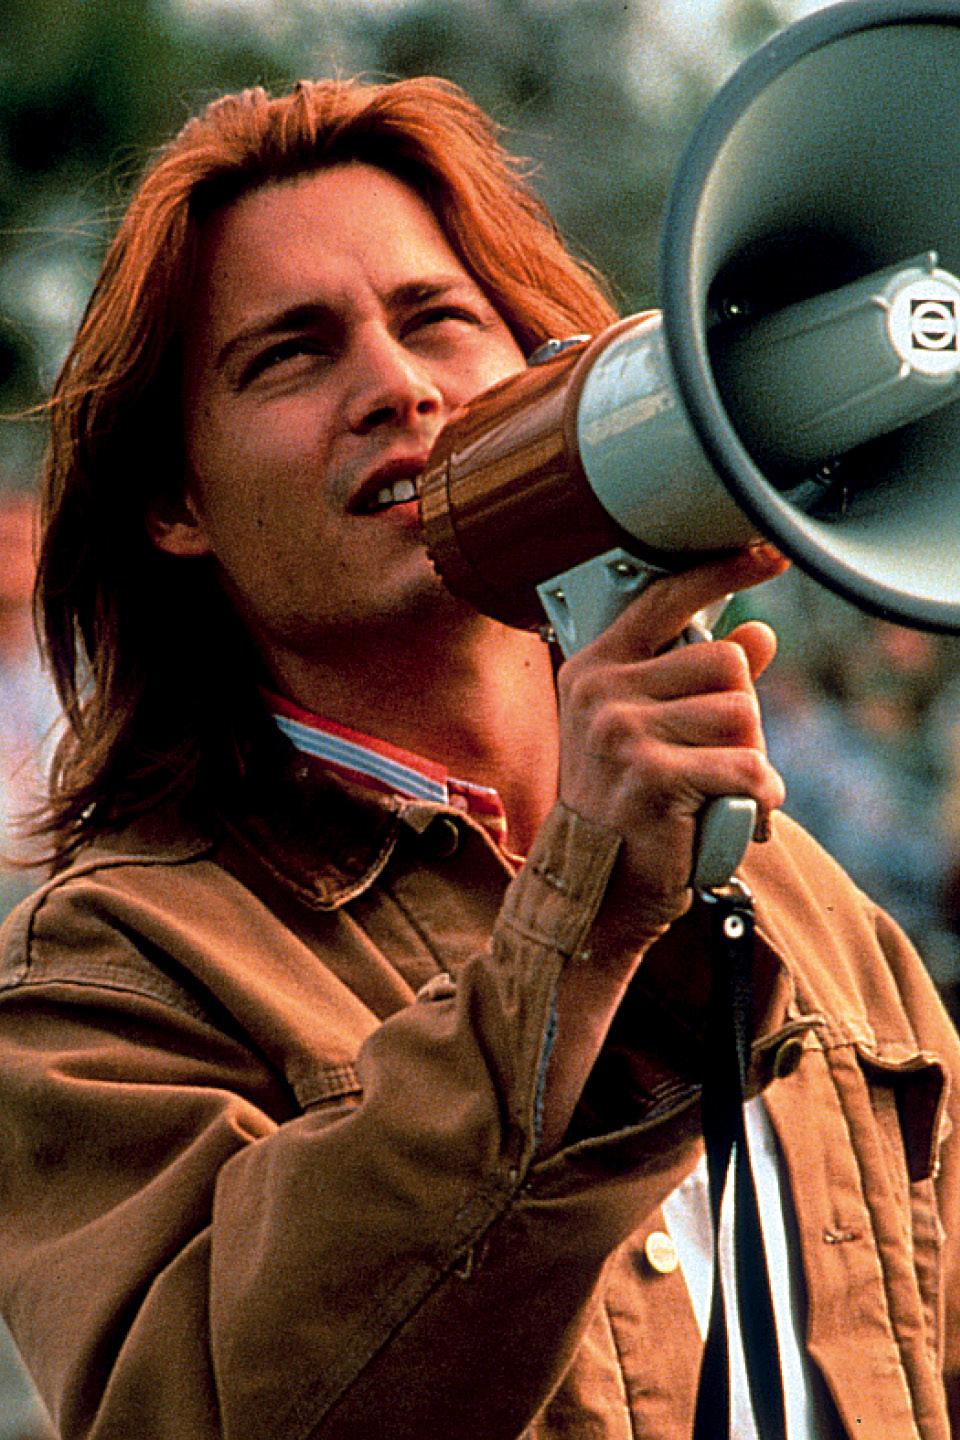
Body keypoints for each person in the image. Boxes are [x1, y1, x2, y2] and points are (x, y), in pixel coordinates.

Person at [0, 75, 955, 1440]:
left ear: (546, 381)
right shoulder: (116, 973)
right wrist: (583, 929)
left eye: (437, 320)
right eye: (292, 356)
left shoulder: (804, 900)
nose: (396, 387)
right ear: (172, 500)